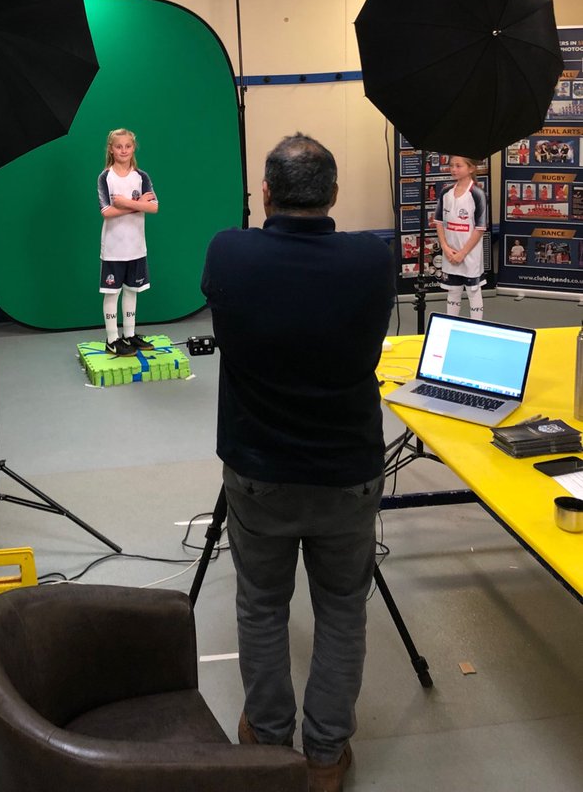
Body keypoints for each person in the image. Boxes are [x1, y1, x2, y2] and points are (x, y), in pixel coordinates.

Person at [201, 133, 394, 792]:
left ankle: (268, 740)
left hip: (259, 471)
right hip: (347, 474)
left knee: (261, 605)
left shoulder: (228, 252)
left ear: (265, 194)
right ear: (334, 194)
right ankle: (325, 758)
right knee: (342, 609)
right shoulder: (372, 260)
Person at [97, 128, 158, 357]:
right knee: (112, 293)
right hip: (114, 248)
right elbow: (106, 212)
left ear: (134, 148)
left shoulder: (142, 177)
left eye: (128, 146)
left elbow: (154, 207)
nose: (123, 150)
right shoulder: (105, 177)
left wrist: (125, 203)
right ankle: (112, 339)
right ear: (111, 149)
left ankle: (129, 335)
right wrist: (138, 204)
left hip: (136, 247)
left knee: (132, 290)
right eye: (118, 146)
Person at [434, 156, 487, 320]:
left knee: (473, 291)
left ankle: (476, 327)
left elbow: (480, 228)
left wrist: (462, 253)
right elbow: (439, 222)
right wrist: (445, 247)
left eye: (458, 166)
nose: (453, 169)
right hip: (450, 253)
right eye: (451, 166)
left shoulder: (477, 194)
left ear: (471, 168)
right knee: (453, 291)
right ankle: (451, 324)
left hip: (469, 254)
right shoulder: (445, 192)